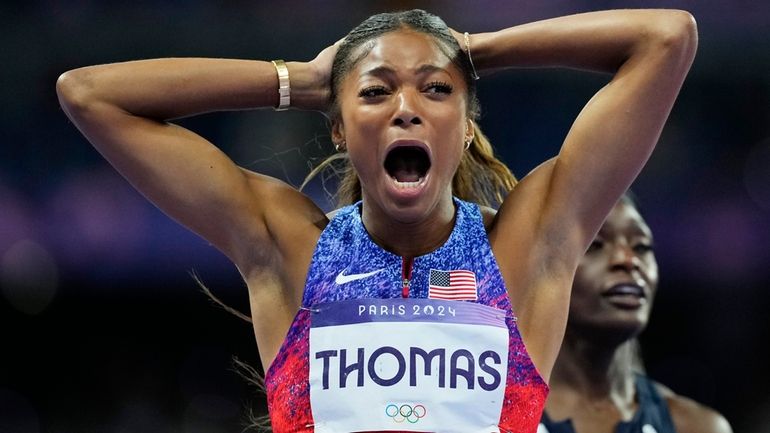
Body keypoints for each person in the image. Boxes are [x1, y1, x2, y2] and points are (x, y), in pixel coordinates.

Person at [56, 8, 697, 433]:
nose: (407, 109)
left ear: (468, 126)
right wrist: (300, 81)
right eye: (375, 90)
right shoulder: (290, 249)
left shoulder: (525, 251)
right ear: (337, 127)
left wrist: (471, 51)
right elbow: (89, 95)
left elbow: (666, 38)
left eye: (436, 90)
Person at [539, 194, 733, 433]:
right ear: (541, 268)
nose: (628, 260)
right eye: (595, 244)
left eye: (641, 246)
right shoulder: (493, 413)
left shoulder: (697, 427)